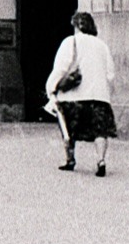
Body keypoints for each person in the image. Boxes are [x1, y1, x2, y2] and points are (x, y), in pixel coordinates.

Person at [44, 10, 117, 176]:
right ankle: (101, 160)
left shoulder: (70, 42)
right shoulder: (102, 45)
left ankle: (70, 160)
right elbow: (110, 74)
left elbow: (61, 68)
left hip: (74, 96)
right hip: (99, 96)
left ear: (77, 25)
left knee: (69, 128)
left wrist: (51, 87)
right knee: (100, 131)